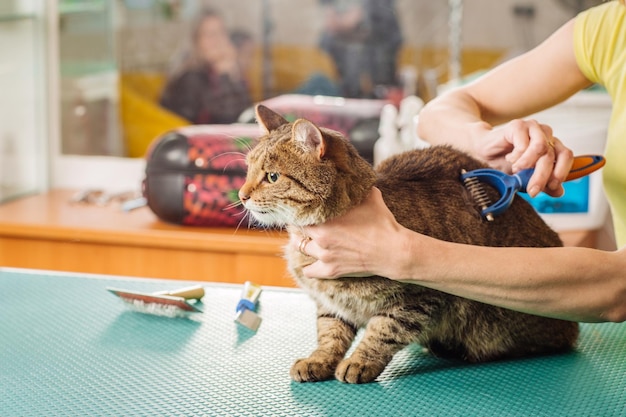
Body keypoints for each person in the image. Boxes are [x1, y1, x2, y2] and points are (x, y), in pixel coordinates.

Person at [293, 0, 626, 323]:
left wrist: (403, 255)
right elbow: (437, 111)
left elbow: (618, 288)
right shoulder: (610, 29)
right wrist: (480, 140)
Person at [159, 9, 252, 124]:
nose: (217, 41)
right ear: (196, 41)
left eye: (221, 32)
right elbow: (226, 121)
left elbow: (246, 114)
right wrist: (225, 77)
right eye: (209, 34)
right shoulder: (189, 77)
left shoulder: (215, 69)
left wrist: (234, 74)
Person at [319, 0, 403, 98]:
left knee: (382, 85)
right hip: (355, 44)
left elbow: (354, 18)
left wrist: (344, 20)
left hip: (379, 42)